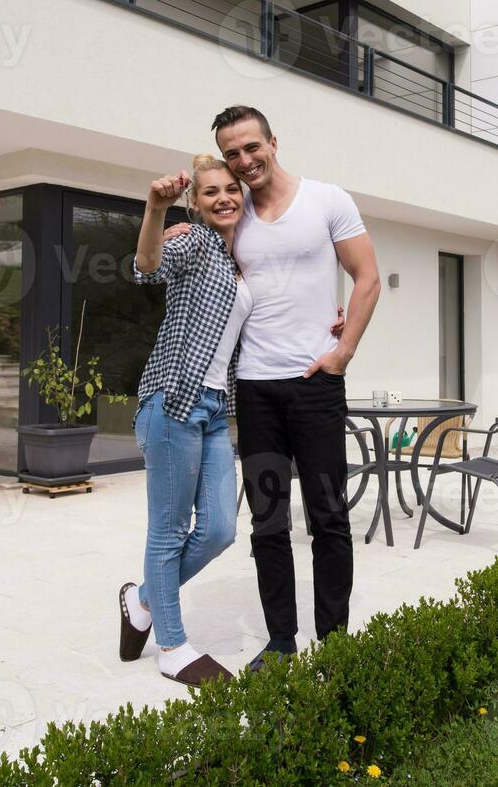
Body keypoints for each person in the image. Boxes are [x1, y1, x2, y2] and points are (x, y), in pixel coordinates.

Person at [210, 104, 381, 671]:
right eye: (232, 153)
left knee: (329, 516)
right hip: (256, 391)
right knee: (268, 521)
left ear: (272, 142)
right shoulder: (235, 220)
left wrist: (343, 351)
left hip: (314, 388)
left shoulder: (328, 199)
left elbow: (367, 277)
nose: (244, 160)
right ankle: (281, 640)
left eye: (250, 147)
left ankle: (334, 643)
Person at [117, 154, 251, 687]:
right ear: (196, 203)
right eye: (211, 191)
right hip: (173, 401)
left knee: (220, 529)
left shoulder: (241, 262)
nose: (223, 198)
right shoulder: (192, 241)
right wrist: (155, 208)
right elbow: (146, 265)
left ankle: (142, 599)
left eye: (231, 190)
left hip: (217, 410)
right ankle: (171, 644)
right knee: (169, 533)